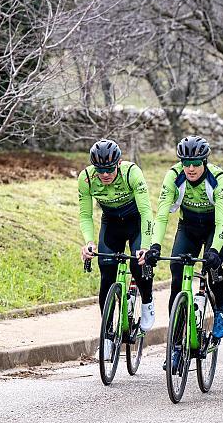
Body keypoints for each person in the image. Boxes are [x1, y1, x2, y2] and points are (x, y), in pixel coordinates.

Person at [140, 136, 223, 369]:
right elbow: (161, 215)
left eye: (196, 163)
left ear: (205, 162)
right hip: (188, 227)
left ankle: (220, 310)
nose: (190, 168)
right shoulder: (174, 176)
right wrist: (154, 246)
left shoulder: (217, 179)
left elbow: (222, 222)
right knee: (177, 277)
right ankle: (176, 346)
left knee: (214, 265)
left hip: (214, 227)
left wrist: (214, 250)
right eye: (186, 163)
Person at [78, 139, 155, 359]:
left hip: (136, 222)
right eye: (100, 170)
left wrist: (146, 246)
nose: (105, 174)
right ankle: (108, 337)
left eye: (109, 169)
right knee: (107, 275)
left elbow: (147, 211)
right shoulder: (86, 178)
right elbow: (85, 215)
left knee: (138, 263)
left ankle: (147, 301)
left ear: (118, 163)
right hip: (111, 223)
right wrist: (89, 242)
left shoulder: (132, 173)